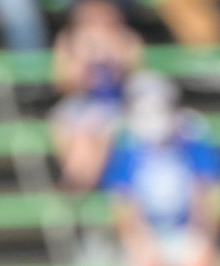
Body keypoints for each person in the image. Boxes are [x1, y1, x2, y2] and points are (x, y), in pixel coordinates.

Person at [102, 73, 220, 266]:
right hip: (144, 233)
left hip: (186, 229)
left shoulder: (193, 134)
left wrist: (206, 237)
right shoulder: (125, 141)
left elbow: (209, 192)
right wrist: (137, 240)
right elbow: (122, 203)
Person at [48, 0, 146, 194]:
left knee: (96, 131)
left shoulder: (128, 38)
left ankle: (77, 187)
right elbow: (62, 85)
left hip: (118, 103)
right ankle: (83, 186)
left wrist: (115, 58)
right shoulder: (68, 39)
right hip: (80, 103)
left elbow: (137, 81)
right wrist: (82, 64)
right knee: (75, 130)